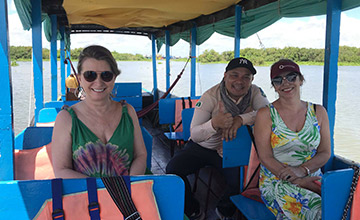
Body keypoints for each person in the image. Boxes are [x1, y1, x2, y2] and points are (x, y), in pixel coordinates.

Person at [166, 57, 269, 220]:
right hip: (203, 147)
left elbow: (267, 112)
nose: (239, 81)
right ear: (225, 75)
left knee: (240, 183)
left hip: (233, 148)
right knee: (173, 169)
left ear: (252, 80)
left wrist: (241, 119)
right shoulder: (210, 97)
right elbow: (195, 134)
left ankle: (224, 210)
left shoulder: (255, 92)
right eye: (234, 75)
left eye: (246, 77)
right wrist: (214, 124)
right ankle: (192, 209)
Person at [52, 45, 147, 178]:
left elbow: (141, 155)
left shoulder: (128, 111)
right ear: (80, 79)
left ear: (114, 78)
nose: (98, 82)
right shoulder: (66, 118)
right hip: (87, 195)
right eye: (90, 75)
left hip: (128, 192)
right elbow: (61, 170)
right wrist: (102, 191)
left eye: (106, 75)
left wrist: (130, 185)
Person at [254, 59, 331, 219]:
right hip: (277, 180)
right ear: (274, 86)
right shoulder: (265, 114)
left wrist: (302, 171)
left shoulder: (319, 112)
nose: (285, 83)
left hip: (312, 176)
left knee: (338, 206)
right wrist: (295, 179)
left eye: (291, 77)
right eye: (278, 80)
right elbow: (265, 156)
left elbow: (325, 152)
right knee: (319, 211)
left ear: (300, 79)